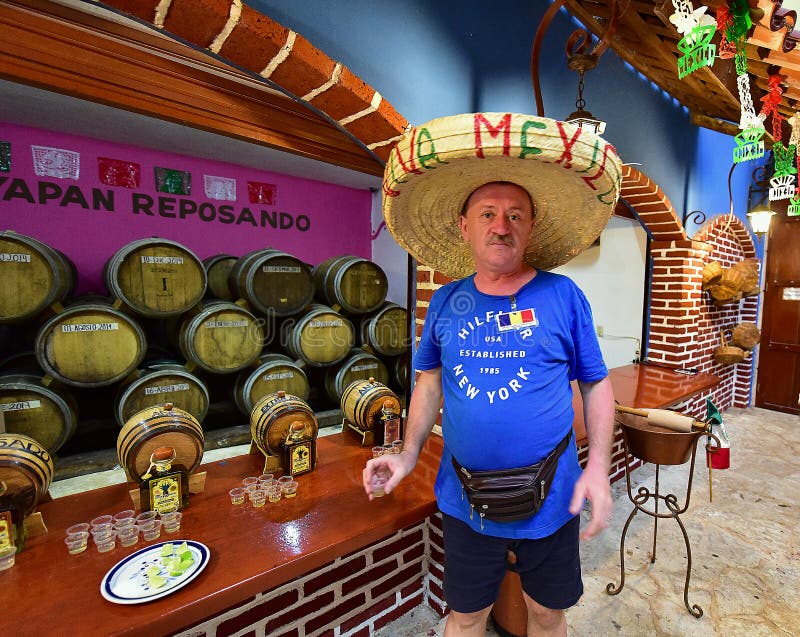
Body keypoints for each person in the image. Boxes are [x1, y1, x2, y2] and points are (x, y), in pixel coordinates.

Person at [364, 112, 622, 636]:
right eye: (486, 213)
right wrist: (407, 454)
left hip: (553, 495)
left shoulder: (562, 296)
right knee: (465, 618)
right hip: (464, 498)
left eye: (515, 215)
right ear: (465, 227)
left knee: (548, 615)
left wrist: (597, 467)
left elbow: (596, 383)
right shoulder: (445, 302)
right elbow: (429, 383)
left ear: (530, 227)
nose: (500, 225)